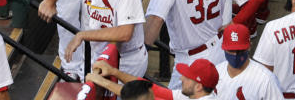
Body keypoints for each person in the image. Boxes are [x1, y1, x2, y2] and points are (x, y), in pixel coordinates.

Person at [88, 57, 219, 99]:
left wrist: (102, 82)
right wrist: (114, 72)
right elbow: (153, 89)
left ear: (199, 86)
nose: (182, 79)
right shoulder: (197, 94)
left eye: (188, 77)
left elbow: (143, 97)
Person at [214, 24, 282, 100]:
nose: (235, 54)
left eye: (240, 50)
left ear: (249, 47)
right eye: (231, 50)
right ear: (223, 48)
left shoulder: (266, 79)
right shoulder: (215, 72)